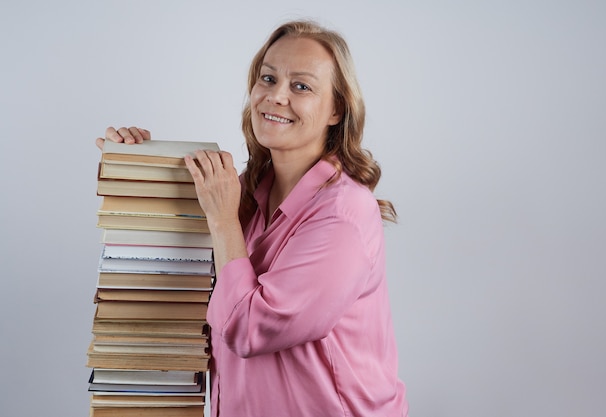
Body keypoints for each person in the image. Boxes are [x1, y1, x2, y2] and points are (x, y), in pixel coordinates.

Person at [97, 20, 408, 417]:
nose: (276, 96)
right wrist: (133, 161)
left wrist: (224, 219)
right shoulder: (247, 192)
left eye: (301, 86)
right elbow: (175, 266)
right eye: (268, 77)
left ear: (336, 110)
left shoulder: (343, 216)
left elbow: (247, 328)